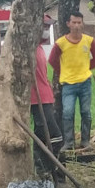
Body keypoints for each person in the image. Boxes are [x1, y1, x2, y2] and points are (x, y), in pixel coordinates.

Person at [48, 11, 95, 150]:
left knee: (86, 112)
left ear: (82, 24)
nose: (77, 25)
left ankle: (85, 141)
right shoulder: (60, 43)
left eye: (79, 22)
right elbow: (53, 61)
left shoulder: (89, 40)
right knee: (68, 112)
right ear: (68, 24)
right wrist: (64, 71)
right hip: (68, 84)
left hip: (85, 82)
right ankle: (69, 142)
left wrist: (86, 68)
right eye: (74, 22)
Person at [31, 15, 63, 176]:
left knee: (40, 134)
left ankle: (44, 169)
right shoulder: (29, 49)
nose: (46, 30)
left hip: (46, 97)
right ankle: (45, 167)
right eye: (43, 27)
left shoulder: (40, 49)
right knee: (54, 136)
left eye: (47, 27)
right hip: (37, 99)